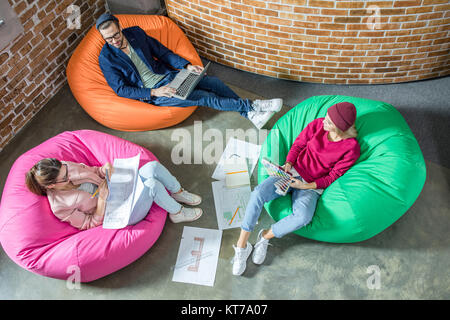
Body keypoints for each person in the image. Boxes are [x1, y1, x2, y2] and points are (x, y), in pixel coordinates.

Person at [231, 102, 361, 276]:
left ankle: (264, 237)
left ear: (340, 128)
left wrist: (305, 186)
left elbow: (333, 176)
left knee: (303, 217)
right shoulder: (317, 124)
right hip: (292, 172)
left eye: (329, 122)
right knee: (258, 193)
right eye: (326, 117)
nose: (324, 122)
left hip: (311, 186)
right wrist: (288, 163)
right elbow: (299, 144)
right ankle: (242, 247)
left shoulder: (351, 148)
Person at [95, 13, 282, 130]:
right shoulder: (106, 58)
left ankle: (250, 114)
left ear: (120, 27)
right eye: (108, 39)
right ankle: (253, 107)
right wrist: (153, 92)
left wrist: (186, 66)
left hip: (169, 75)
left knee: (214, 83)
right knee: (204, 96)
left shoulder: (135, 32)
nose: (114, 41)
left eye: (116, 35)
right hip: (157, 92)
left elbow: (162, 52)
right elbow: (121, 90)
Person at [25, 159, 203, 230]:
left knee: (153, 167)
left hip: (118, 189)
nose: (69, 174)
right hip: (116, 213)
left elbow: (94, 170)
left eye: (66, 169)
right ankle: (177, 213)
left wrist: (104, 170)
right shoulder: (59, 206)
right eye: (65, 177)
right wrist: (102, 201)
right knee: (152, 185)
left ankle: (177, 192)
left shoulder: (65, 167)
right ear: (52, 185)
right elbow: (89, 224)